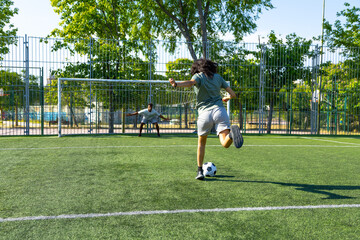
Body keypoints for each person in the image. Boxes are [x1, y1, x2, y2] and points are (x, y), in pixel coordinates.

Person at [169, 59, 243, 180]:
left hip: (204, 114)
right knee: (225, 143)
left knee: (201, 143)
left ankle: (199, 171)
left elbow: (190, 82)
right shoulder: (218, 77)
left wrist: (176, 84)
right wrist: (227, 98)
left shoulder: (198, 76)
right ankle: (231, 135)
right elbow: (233, 94)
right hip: (220, 110)